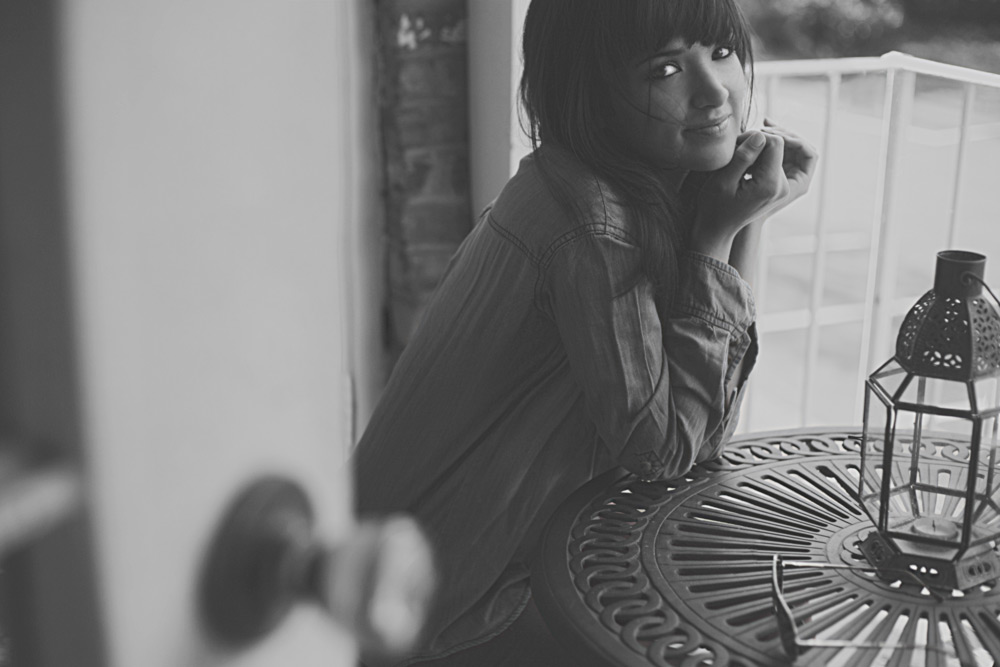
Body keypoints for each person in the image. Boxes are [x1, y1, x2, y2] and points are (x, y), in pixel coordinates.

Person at [353, 0, 818, 665]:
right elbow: (666, 452)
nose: (716, 91)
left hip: (448, 562)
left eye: (720, 52)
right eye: (664, 69)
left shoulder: (596, 181)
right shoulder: (594, 228)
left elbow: (702, 432)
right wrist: (718, 235)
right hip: (447, 602)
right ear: (591, 93)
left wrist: (745, 220)